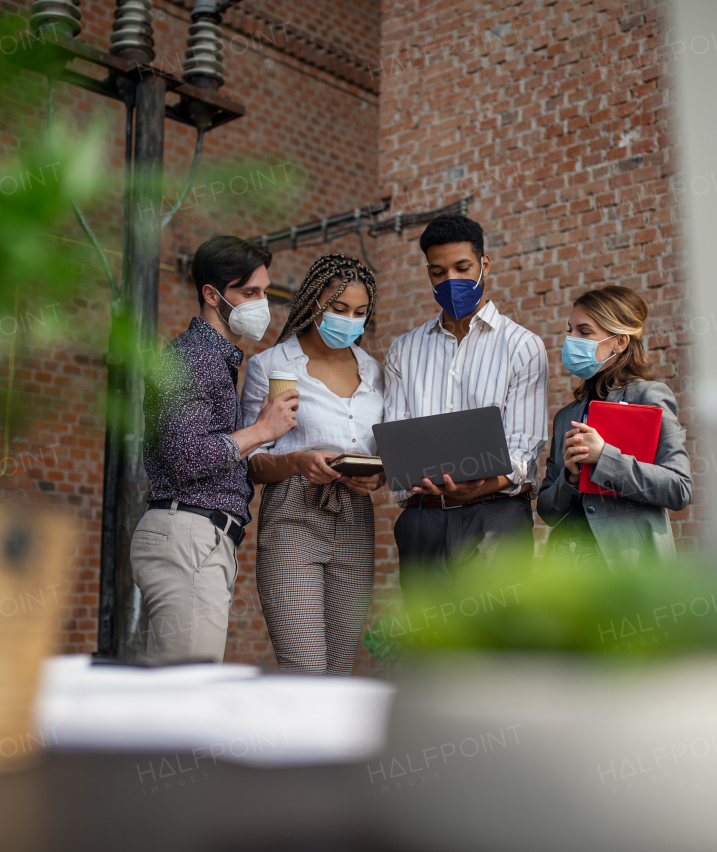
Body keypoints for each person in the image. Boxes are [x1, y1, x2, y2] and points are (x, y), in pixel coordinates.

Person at [136, 235, 299, 665]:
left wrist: (254, 430)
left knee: (173, 692)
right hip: (189, 530)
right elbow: (187, 456)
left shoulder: (213, 358)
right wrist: (261, 431)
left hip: (193, 533)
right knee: (186, 695)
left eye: (264, 292)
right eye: (249, 293)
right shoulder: (195, 356)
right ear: (211, 294)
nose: (261, 303)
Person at [383, 214, 549, 589]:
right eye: (438, 272)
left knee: (497, 643)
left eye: (462, 267)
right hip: (422, 520)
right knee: (430, 645)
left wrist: (479, 486)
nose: (450, 280)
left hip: (497, 518)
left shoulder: (522, 346)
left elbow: (523, 451)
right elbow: (398, 441)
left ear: (484, 264)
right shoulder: (403, 350)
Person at [241, 254, 384, 675]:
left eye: (360, 312)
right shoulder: (271, 366)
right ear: (312, 303)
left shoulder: (373, 370)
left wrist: (376, 478)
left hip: (355, 516)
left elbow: (384, 450)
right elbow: (250, 463)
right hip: (293, 516)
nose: (349, 319)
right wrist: (297, 462)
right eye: (338, 309)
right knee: (305, 668)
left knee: (338, 673)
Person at [536, 285, 692, 569]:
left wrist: (604, 457)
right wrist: (570, 478)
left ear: (620, 342)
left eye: (584, 332)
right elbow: (547, 511)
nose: (571, 339)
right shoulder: (565, 416)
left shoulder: (649, 397)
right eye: (570, 330)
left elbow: (678, 489)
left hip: (628, 571)